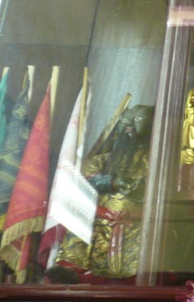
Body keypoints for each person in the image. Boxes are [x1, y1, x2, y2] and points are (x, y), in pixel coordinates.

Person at [47, 105, 153, 283]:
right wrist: (112, 182)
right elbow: (82, 184)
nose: (129, 125)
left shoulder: (155, 160)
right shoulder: (104, 159)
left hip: (138, 225)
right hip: (100, 223)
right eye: (125, 120)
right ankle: (72, 266)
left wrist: (139, 191)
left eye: (137, 120)